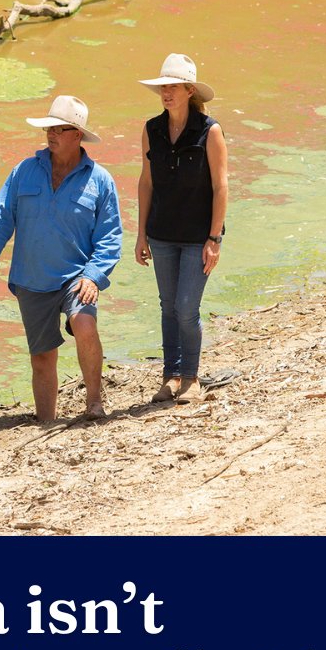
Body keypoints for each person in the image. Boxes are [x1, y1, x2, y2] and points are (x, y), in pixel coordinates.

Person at [0, 95, 123, 421]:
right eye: (48, 128)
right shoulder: (24, 171)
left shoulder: (100, 181)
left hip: (76, 276)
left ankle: (94, 403)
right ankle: (46, 422)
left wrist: (93, 276)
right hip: (32, 278)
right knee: (42, 357)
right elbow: (0, 217)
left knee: (84, 323)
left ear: (77, 134)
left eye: (59, 129)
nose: (50, 134)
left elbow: (110, 237)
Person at [133, 53, 229, 403]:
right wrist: (141, 233)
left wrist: (214, 238)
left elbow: (221, 187)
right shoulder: (151, 129)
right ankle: (170, 376)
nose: (166, 93)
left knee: (187, 307)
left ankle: (191, 376)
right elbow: (146, 183)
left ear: (190, 90)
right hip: (161, 233)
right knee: (168, 306)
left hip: (198, 237)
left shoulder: (210, 131)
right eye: (163, 87)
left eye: (173, 87)